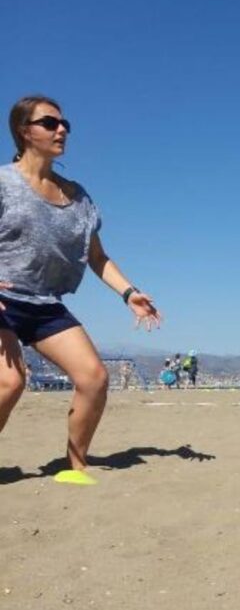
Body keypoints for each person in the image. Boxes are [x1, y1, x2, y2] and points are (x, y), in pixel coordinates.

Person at [0, 95, 162, 483]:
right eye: (50, 123)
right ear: (25, 131)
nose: (62, 130)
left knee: (94, 378)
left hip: (43, 303)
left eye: (65, 124)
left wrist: (129, 293)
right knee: (10, 381)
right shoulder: (3, 182)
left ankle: (74, 465)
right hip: (2, 300)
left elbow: (97, 258)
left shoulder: (78, 197)